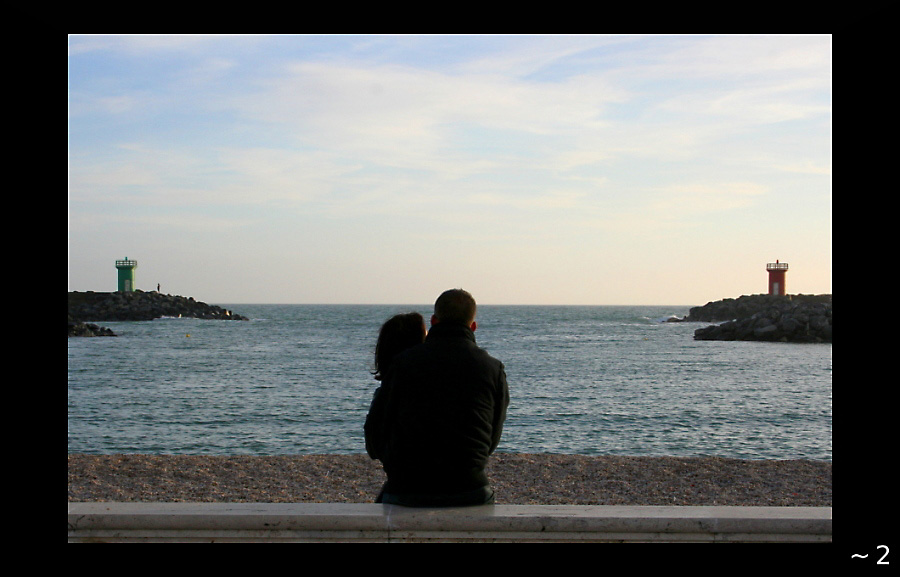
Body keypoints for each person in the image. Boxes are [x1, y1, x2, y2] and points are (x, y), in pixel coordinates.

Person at [364, 289, 509, 507]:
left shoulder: (403, 363)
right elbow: (492, 438)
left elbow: (376, 436)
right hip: (469, 489)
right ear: (473, 326)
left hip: (408, 488)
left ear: (434, 321)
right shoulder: (493, 369)